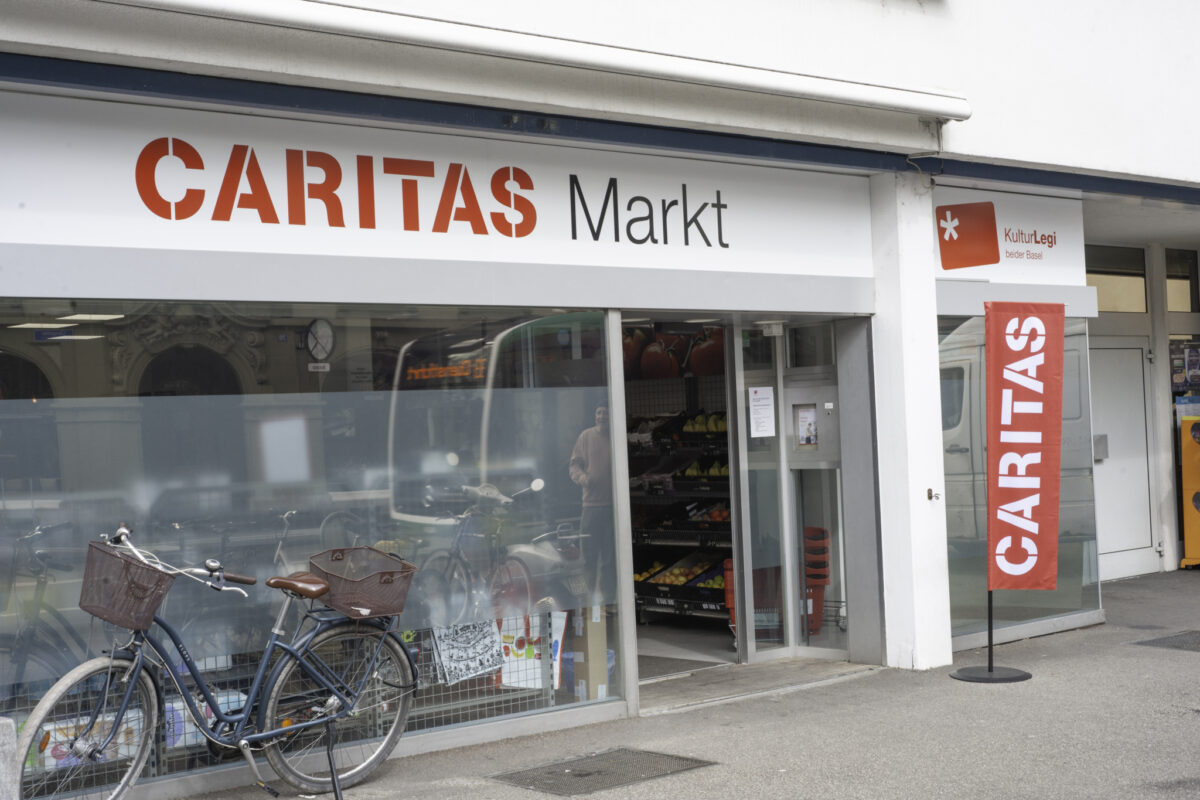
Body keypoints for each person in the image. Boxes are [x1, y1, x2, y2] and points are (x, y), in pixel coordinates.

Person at [569, 404, 612, 600]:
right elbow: (574, 466)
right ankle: (587, 601)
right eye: (599, 412)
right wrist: (582, 478)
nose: (602, 416)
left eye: (606, 412)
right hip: (591, 507)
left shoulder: (616, 436)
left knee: (610, 559)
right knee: (588, 557)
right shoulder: (585, 437)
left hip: (612, 507)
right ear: (595, 415)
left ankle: (607, 601)